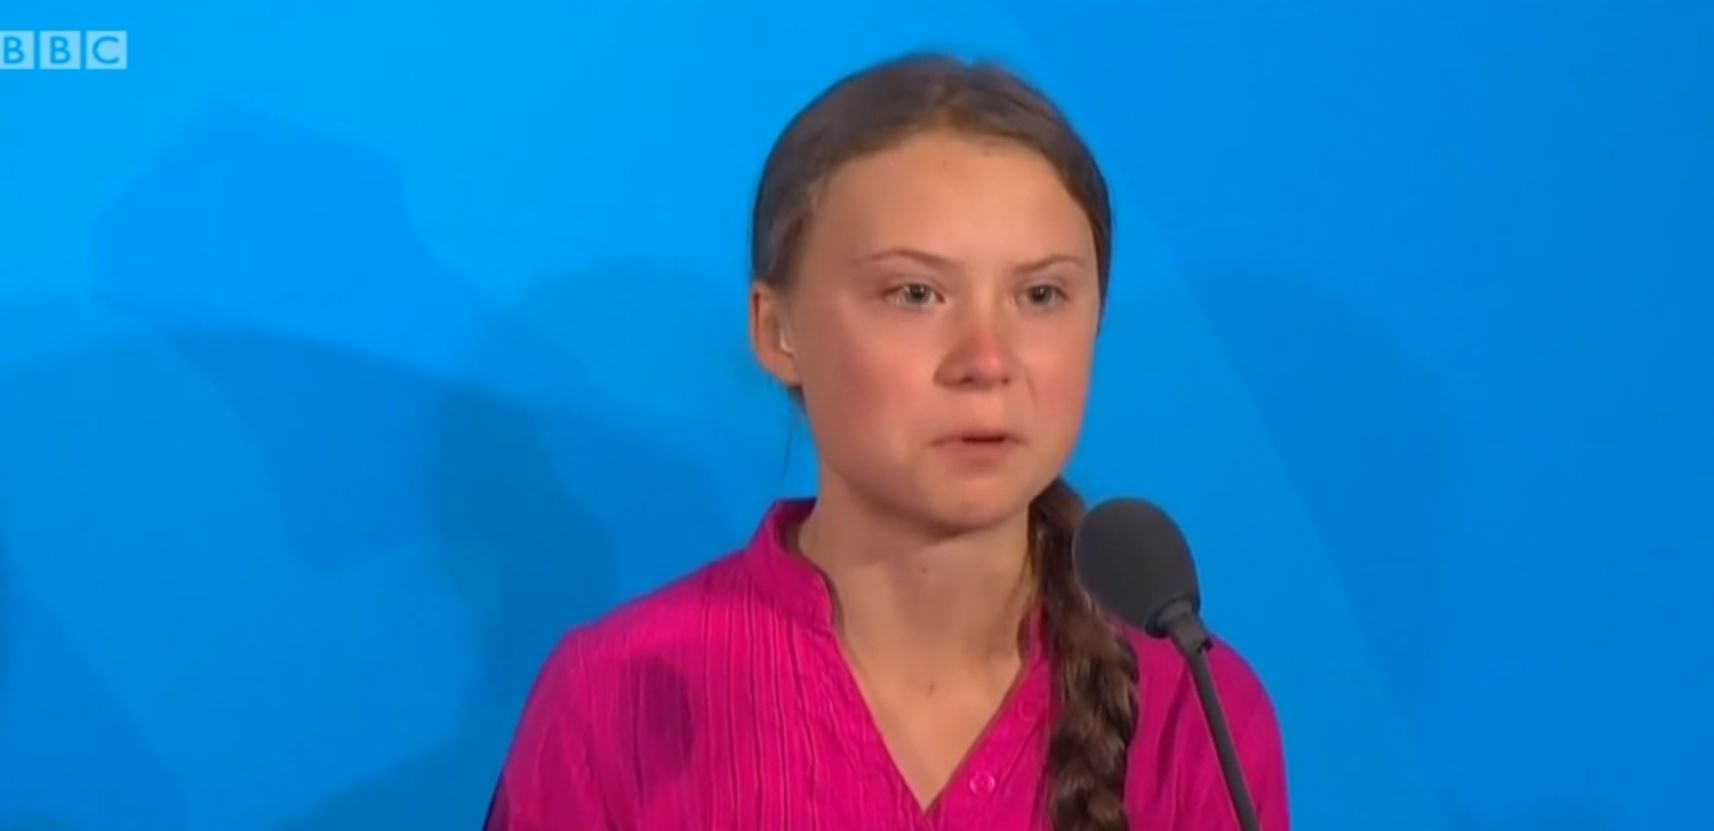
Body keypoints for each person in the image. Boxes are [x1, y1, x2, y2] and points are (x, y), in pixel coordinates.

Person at [484, 52, 1289, 831]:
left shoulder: (1193, 709)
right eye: (915, 293)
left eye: (1042, 294)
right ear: (777, 330)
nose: (987, 361)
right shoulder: (618, 694)